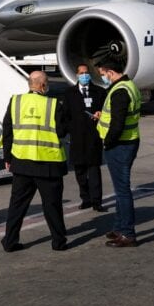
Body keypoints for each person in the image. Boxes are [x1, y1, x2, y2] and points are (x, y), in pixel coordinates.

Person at [1, 70, 69, 252]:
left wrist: (8, 157)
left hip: (22, 162)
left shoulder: (15, 101)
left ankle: (10, 241)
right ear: (42, 85)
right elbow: (62, 131)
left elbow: (7, 131)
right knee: (52, 206)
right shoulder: (53, 105)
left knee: (17, 206)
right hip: (48, 163)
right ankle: (58, 241)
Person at [96, 56, 142, 247]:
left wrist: (107, 142)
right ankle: (119, 226)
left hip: (120, 145)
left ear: (110, 72)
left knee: (122, 190)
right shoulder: (129, 85)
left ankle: (128, 233)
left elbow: (117, 124)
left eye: (103, 74)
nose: (102, 77)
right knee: (119, 189)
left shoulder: (120, 92)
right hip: (128, 141)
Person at [60, 62, 106, 211]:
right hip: (77, 138)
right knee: (80, 170)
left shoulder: (99, 92)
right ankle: (85, 198)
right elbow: (65, 115)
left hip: (94, 137)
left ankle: (97, 201)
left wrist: (101, 115)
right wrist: (69, 130)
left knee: (94, 170)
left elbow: (107, 111)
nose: (85, 76)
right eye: (82, 73)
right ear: (77, 75)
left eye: (87, 73)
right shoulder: (69, 93)